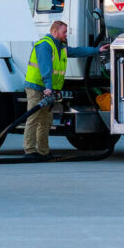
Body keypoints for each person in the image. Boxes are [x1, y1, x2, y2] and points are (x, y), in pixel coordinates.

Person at [24, 20, 104, 159]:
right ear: (55, 31)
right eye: (64, 32)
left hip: (48, 89)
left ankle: (43, 151)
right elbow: (46, 69)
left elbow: (77, 51)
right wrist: (48, 88)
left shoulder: (61, 47)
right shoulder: (44, 45)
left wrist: (97, 50)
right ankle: (30, 151)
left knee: (46, 120)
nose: (66, 35)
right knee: (34, 118)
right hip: (37, 88)